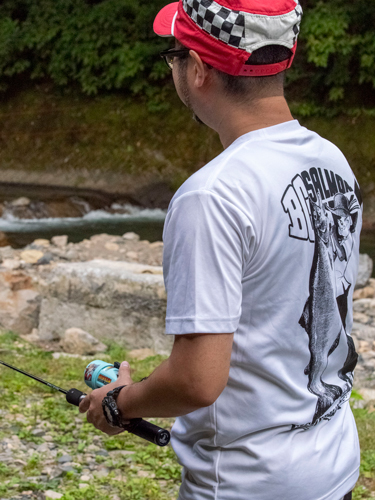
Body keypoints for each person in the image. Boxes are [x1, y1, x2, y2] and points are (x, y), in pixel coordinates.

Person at [79, 1, 363, 499]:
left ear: (199, 69)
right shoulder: (329, 158)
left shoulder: (211, 195)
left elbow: (196, 382)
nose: (174, 69)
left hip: (247, 482)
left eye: (174, 56)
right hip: (332, 460)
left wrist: (120, 403)